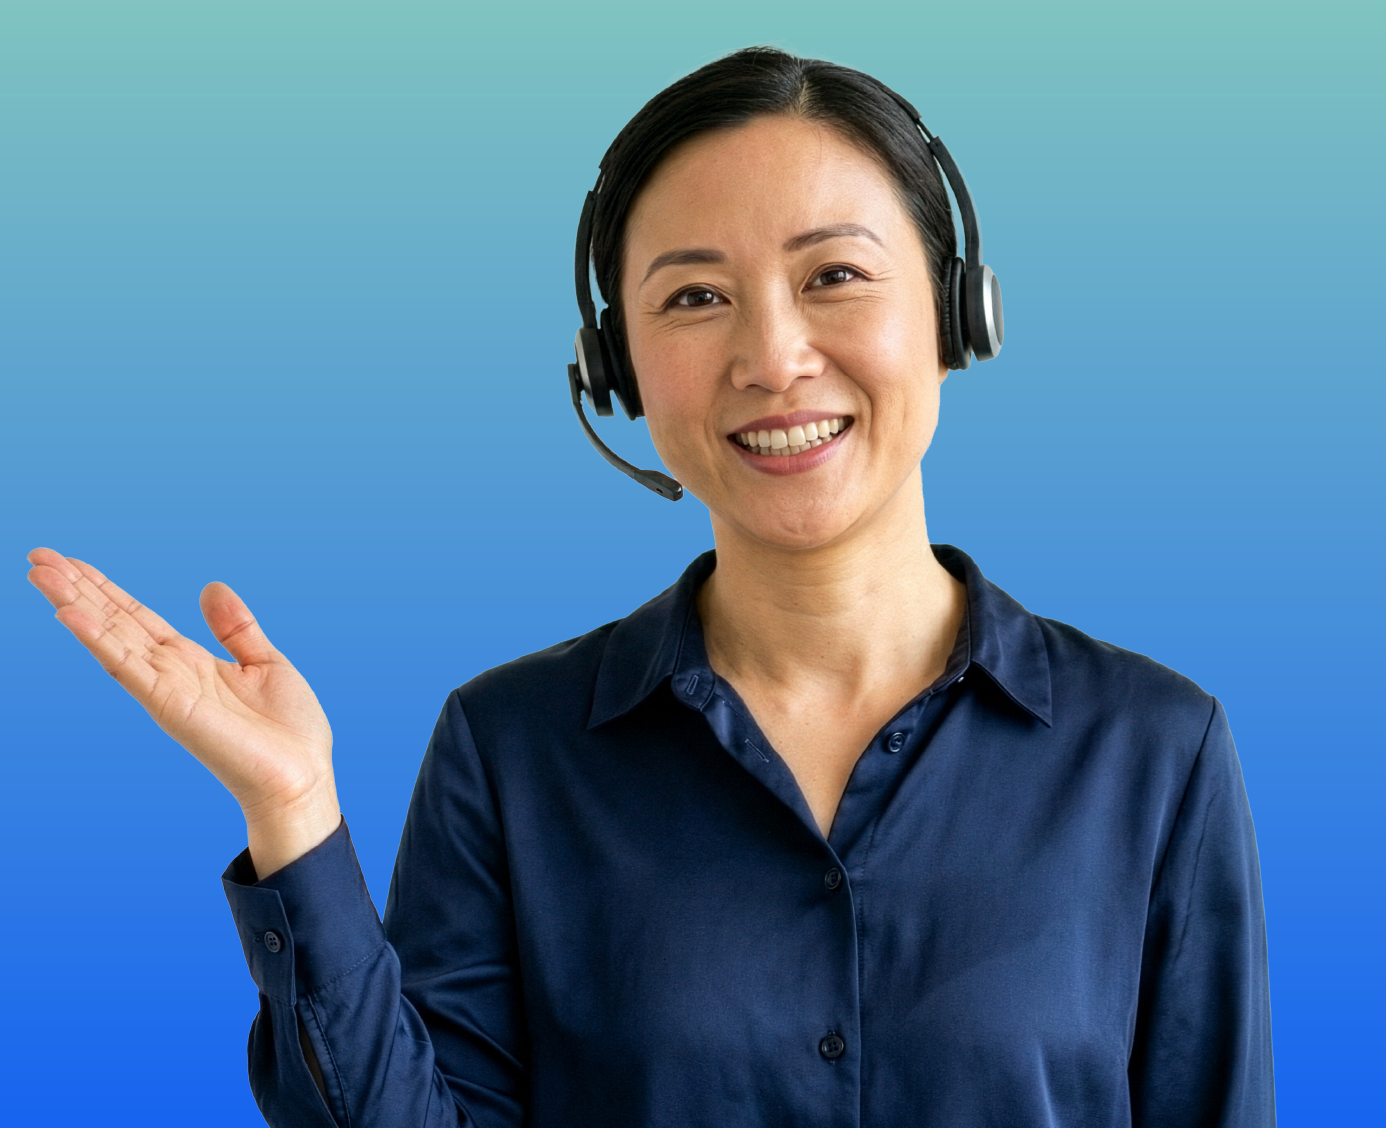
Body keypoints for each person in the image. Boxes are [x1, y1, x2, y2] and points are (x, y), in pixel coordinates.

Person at [25, 47, 1274, 1128]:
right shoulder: (511, 751)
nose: (773, 357)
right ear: (616, 369)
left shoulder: (1154, 751)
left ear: (958, 312)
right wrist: (292, 811)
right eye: (695, 298)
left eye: (833, 275)